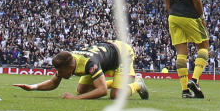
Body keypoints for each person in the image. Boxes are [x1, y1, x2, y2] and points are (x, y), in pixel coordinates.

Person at [13, 40, 149, 100]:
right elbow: (53, 83)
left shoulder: (89, 64)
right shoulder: (67, 60)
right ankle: (115, 83)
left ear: (71, 68)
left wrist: (75, 99)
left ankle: (138, 85)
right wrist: (32, 87)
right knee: (82, 90)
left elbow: (101, 91)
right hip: (106, 51)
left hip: (121, 54)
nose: (59, 74)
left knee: (114, 96)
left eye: (61, 72)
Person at [163, 0, 207, 99]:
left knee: (181, 53)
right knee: (203, 46)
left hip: (173, 16)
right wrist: (201, 16)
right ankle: (194, 80)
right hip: (190, 15)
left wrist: (171, 12)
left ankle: (185, 91)